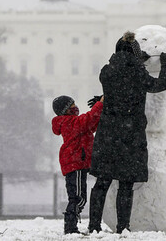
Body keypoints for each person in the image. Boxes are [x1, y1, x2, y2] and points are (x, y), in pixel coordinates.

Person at [87, 31, 166, 234]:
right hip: (130, 135)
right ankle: (122, 227)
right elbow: (159, 85)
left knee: (102, 182)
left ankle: (93, 225)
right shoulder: (137, 73)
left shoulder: (106, 72)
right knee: (126, 184)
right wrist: (165, 66)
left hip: (108, 134)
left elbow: (118, 85)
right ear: (136, 54)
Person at [52, 93, 104, 235]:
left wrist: (97, 108)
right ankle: (70, 227)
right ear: (66, 110)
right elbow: (87, 121)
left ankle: (71, 226)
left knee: (77, 197)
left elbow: (90, 125)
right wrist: (99, 105)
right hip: (76, 164)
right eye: (72, 105)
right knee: (78, 198)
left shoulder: (72, 122)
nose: (76, 107)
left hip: (76, 164)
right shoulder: (68, 122)